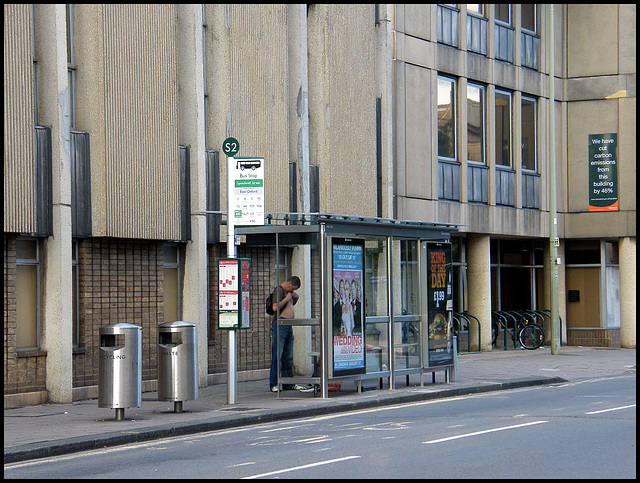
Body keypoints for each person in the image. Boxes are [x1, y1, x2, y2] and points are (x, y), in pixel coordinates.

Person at [269, 276, 313, 392]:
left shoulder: (288, 293)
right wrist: (287, 297)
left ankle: (288, 383)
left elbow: (289, 306)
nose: (293, 291)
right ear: (289, 284)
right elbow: (275, 307)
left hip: (288, 325)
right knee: (277, 355)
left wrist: (294, 298)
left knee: (288, 356)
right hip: (280, 325)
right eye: (293, 289)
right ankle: (274, 383)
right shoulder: (278, 290)